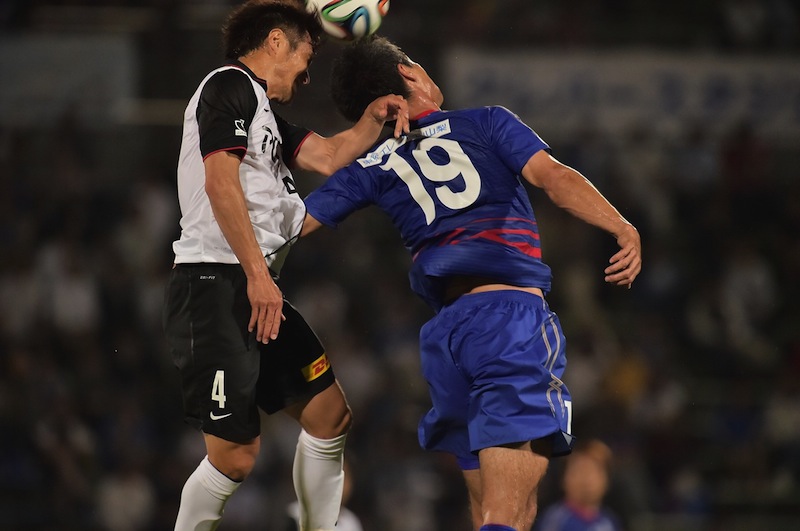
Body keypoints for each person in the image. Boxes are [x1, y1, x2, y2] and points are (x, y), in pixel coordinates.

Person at [301, 36, 642, 531]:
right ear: (410, 73)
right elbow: (555, 178)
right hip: (508, 323)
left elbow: (292, 223)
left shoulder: (371, 167)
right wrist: (622, 227)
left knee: (498, 515)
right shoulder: (486, 122)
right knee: (507, 515)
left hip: (448, 337)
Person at [162, 3, 409, 530]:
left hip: (254, 286)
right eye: (306, 56)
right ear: (276, 41)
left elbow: (329, 155)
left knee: (329, 415)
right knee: (235, 457)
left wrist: (375, 117)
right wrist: (257, 276)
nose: (307, 73)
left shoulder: (264, 115)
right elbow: (220, 183)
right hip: (215, 282)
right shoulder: (227, 86)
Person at [535, 439, 623, 531]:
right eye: (579, 470)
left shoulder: (611, 522)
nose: (586, 479)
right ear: (564, 478)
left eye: (594, 471)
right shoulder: (554, 521)